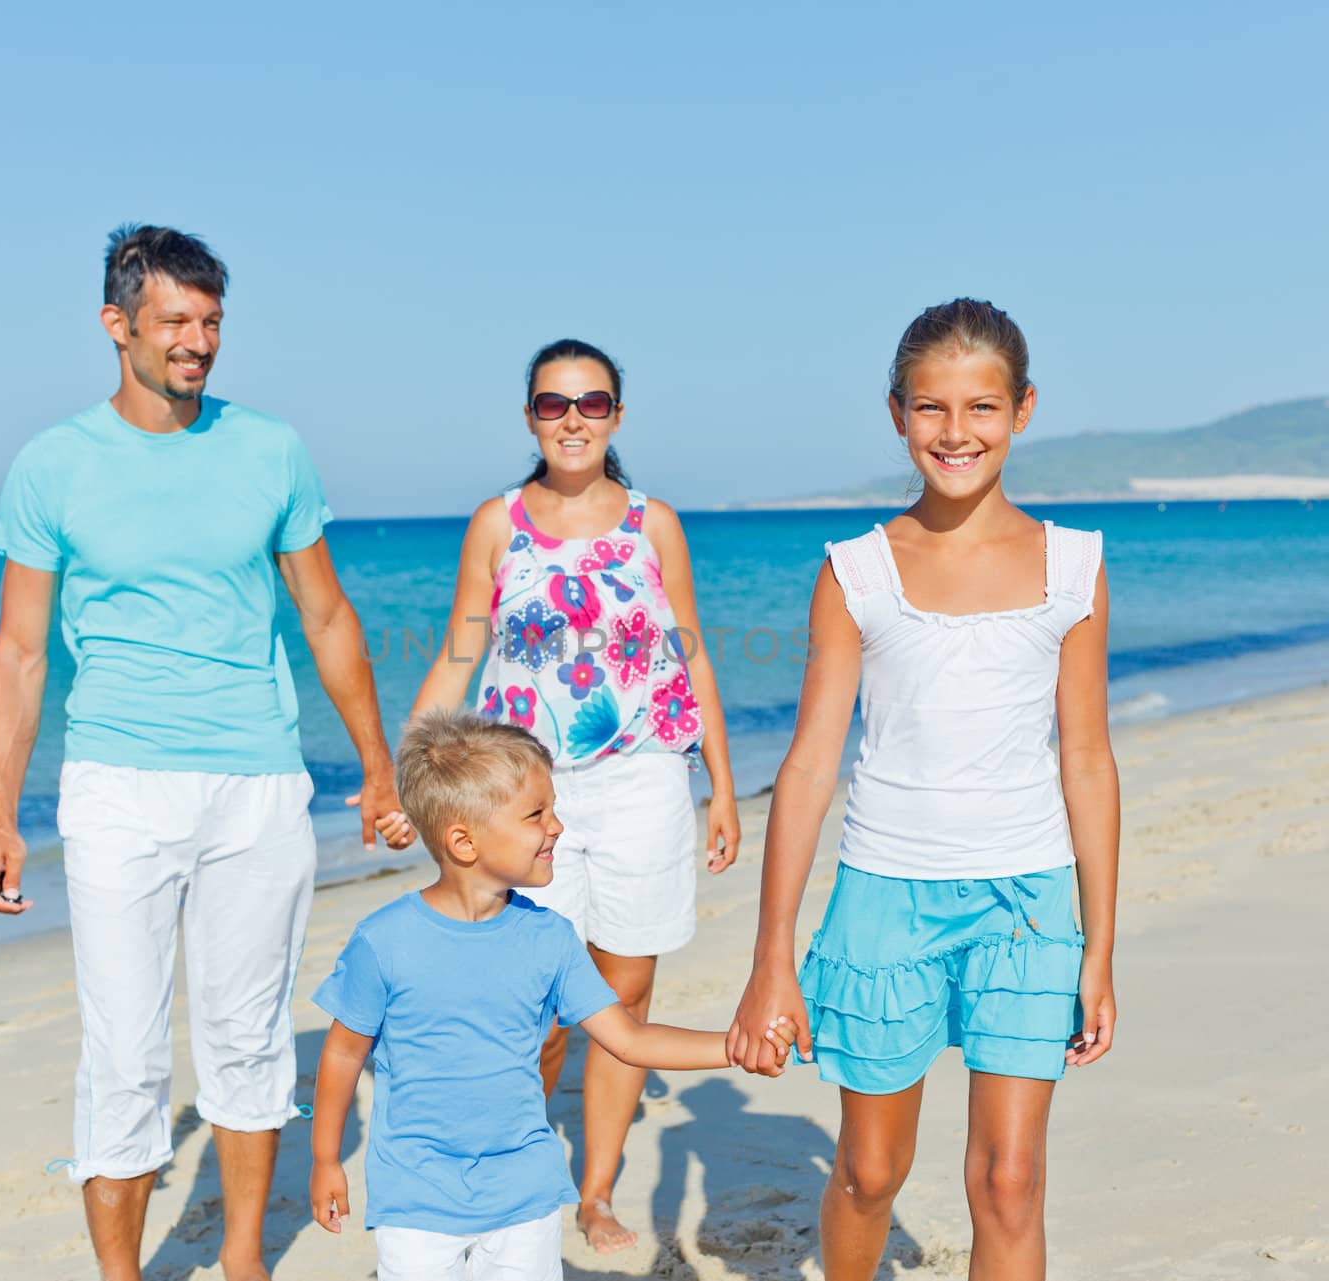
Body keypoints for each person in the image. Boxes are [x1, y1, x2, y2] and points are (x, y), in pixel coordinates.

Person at [0, 224, 415, 1281]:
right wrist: (1, 813)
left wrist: (377, 764)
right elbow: (21, 652)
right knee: (123, 1055)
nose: (197, 341)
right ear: (116, 324)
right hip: (117, 786)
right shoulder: (54, 464)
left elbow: (326, 615)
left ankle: (244, 1264)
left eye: (211, 321)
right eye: (174, 319)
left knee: (249, 1038)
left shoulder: (270, 450)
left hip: (258, 782)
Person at [727, 299, 1119, 1281]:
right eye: (931, 409)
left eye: (981, 407)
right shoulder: (855, 571)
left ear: (1022, 409)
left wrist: (1099, 946)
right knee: (866, 1172)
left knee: (1011, 1180)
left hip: (1025, 908)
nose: (956, 433)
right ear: (896, 414)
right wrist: (772, 954)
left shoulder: (1073, 566)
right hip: (882, 901)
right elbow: (812, 762)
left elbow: (1087, 759)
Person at [410, 338, 740, 1252]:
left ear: (616, 417)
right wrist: (408, 771)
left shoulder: (653, 524)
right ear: (529, 417)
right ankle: (518, 1167)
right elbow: (459, 655)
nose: (573, 420)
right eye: (554, 405)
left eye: (591, 404)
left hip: (644, 783)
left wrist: (721, 784)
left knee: (622, 1002)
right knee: (535, 1000)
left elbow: (692, 654)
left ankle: (593, 1192)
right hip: (522, 790)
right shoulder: (498, 525)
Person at [308, 709, 794, 1281]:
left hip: (524, 1193)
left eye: (554, 809)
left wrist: (736, 1046)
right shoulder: (384, 941)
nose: (558, 826)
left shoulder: (549, 937)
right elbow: (343, 1053)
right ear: (463, 841)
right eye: (537, 814)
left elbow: (629, 1039)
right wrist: (325, 1159)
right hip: (416, 1196)